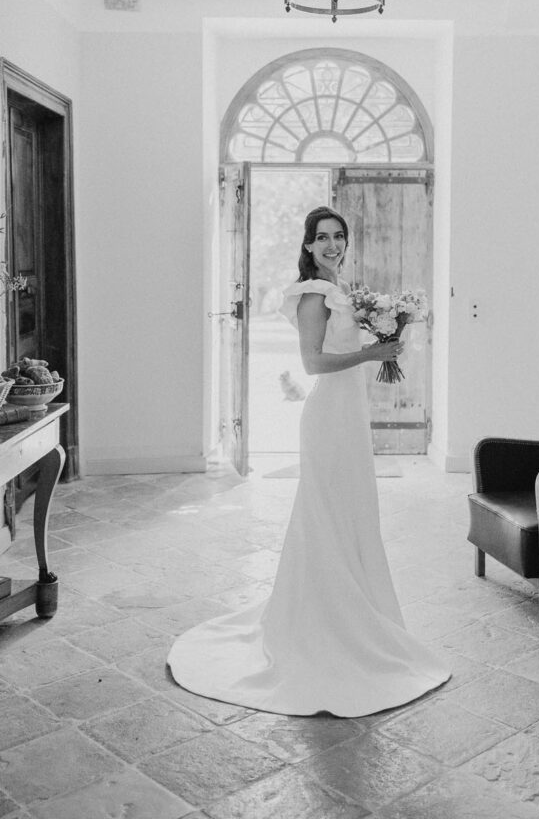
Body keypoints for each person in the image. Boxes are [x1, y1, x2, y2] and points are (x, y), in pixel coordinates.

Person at [167, 206, 451, 716]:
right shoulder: (313, 295)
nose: (332, 244)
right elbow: (312, 362)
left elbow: (348, 347)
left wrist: (384, 341)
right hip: (328, 417)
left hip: (351, 412)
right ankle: (324, 620)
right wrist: (372, 354)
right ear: (307, 245)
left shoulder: (342, 290)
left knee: (352, 512)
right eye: (322, 237)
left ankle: (358, 606)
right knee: (325, 514)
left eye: (339, 236)